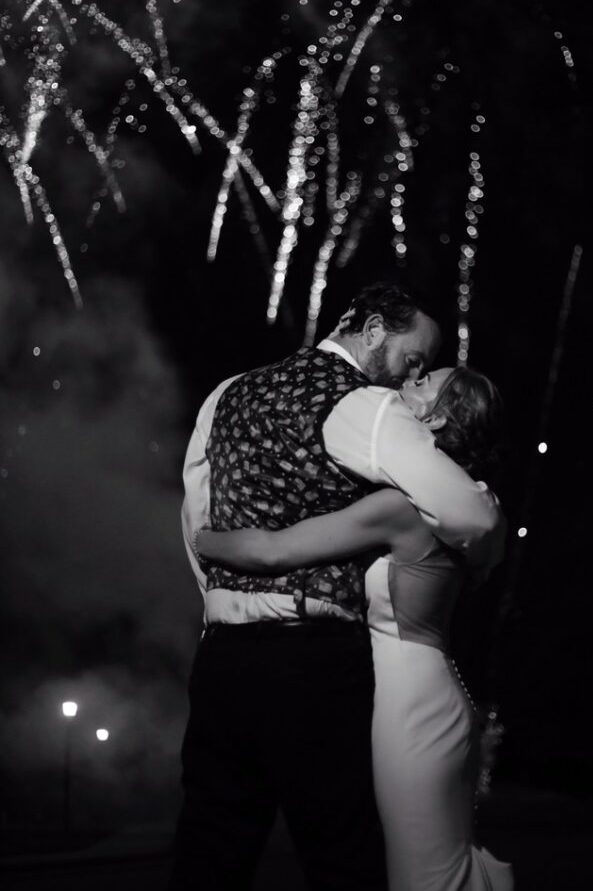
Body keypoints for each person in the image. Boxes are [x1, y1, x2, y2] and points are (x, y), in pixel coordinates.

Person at [172, 281, 505, 891]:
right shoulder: (367, 408)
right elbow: (472, 516)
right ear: (373, 329)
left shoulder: (224, 394)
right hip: (314, 657)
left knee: (208, 856)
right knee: (341, 858)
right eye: (413, 358)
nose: (414, 372)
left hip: (221, 658)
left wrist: (221, 600)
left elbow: (197, 515)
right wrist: (482, 559)